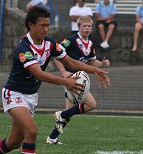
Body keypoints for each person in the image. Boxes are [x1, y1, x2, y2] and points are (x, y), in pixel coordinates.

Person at [0, 6, 110, 154]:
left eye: (48, 25)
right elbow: (38, 73)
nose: (46, 29)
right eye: (42, 25)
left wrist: (95, 70)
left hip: (30, 96)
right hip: (13, 94)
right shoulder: (24, 48)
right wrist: (66, 82)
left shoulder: (50, 43)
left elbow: (69, 61)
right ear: (31, 25)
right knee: (32, 131)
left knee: (13, 142)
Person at [46, 16, 110, 145]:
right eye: (84, 26)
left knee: (69, 112)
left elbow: (92, 61)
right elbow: (56, 55)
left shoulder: (90, 43)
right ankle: (61, 115)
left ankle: (52, 138)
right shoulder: (71, 40)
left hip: (79, 78)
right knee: (91, 104)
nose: (87, 28)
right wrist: (64, 72)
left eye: (89, 26)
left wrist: (102, 64)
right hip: (71, 78)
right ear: (78, 27)